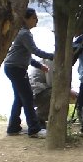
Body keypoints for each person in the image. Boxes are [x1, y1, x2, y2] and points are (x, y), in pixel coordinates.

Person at [4, 8, 54, 138]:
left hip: (12, 67)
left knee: (19, 99)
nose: (36, 20)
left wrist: (39, 65)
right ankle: (34, 129)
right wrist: (54, 56)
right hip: (16, 69)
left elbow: (25, 54)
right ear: (26, 19)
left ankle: (13, 127)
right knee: (27, 97)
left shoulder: (21, 32)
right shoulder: (24, 33)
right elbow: (35, 51)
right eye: (34, 18)